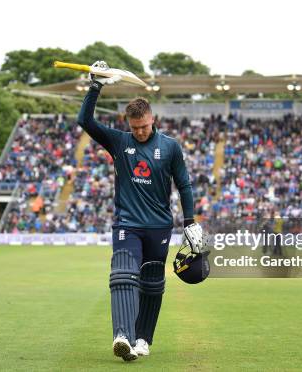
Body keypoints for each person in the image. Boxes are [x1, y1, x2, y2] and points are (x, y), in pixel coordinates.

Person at [77, 61, 204, 362]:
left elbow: (184, 186)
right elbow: (85, 121)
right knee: (123, 274)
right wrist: (95, 86)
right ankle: (122, 335)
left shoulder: (170, 147)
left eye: (144, 126)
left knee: (152, 284)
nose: (140, 132)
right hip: (127, 224)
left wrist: (190, 222)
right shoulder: (119, 141)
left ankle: (143, 339)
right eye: (135, 128)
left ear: (152, 119)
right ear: (128, 124)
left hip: (159, 227)